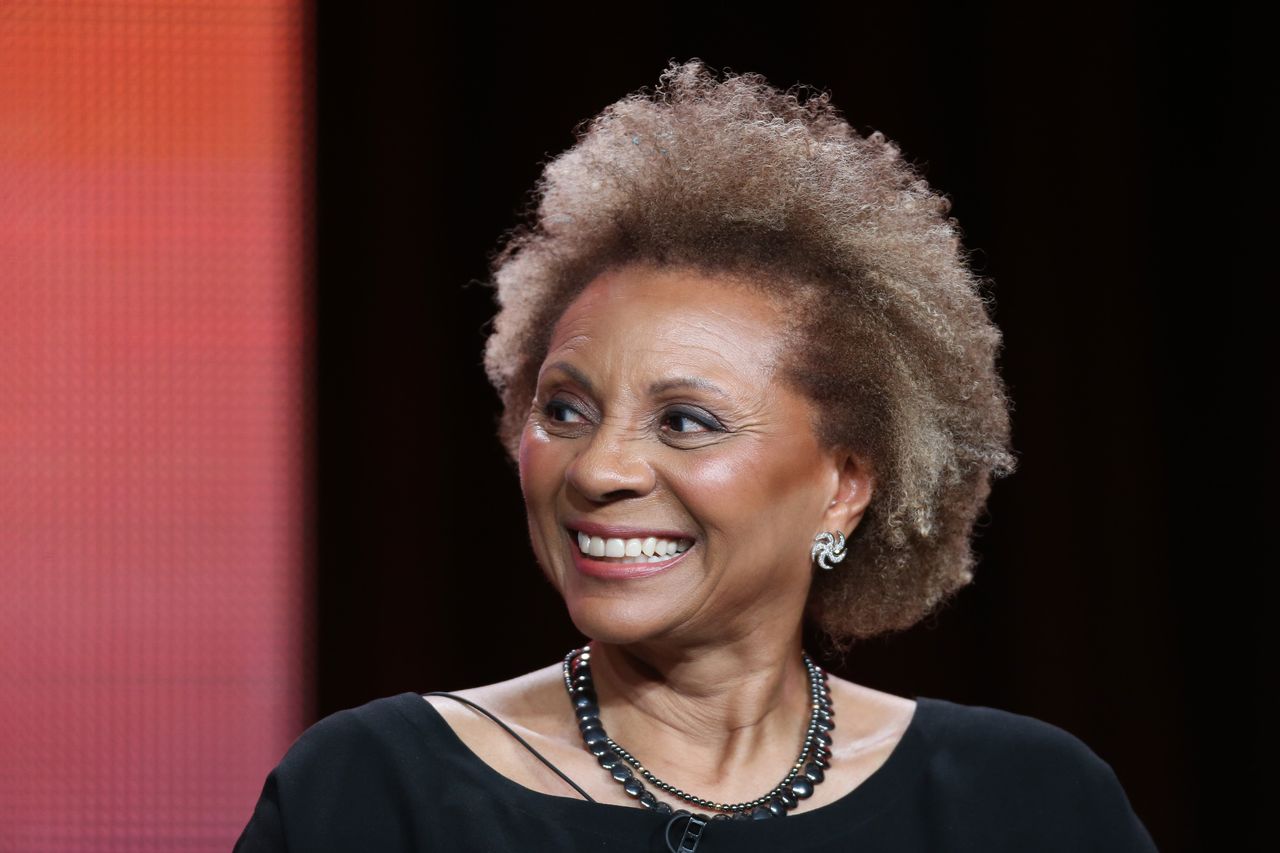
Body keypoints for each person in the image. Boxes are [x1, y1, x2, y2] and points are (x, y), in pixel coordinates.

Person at [234, 59, 1159, 852]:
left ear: (844, 485)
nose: (599, 469)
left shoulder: (1030, 805)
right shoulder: (368, 795)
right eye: (565, 409)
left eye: (685, 421)